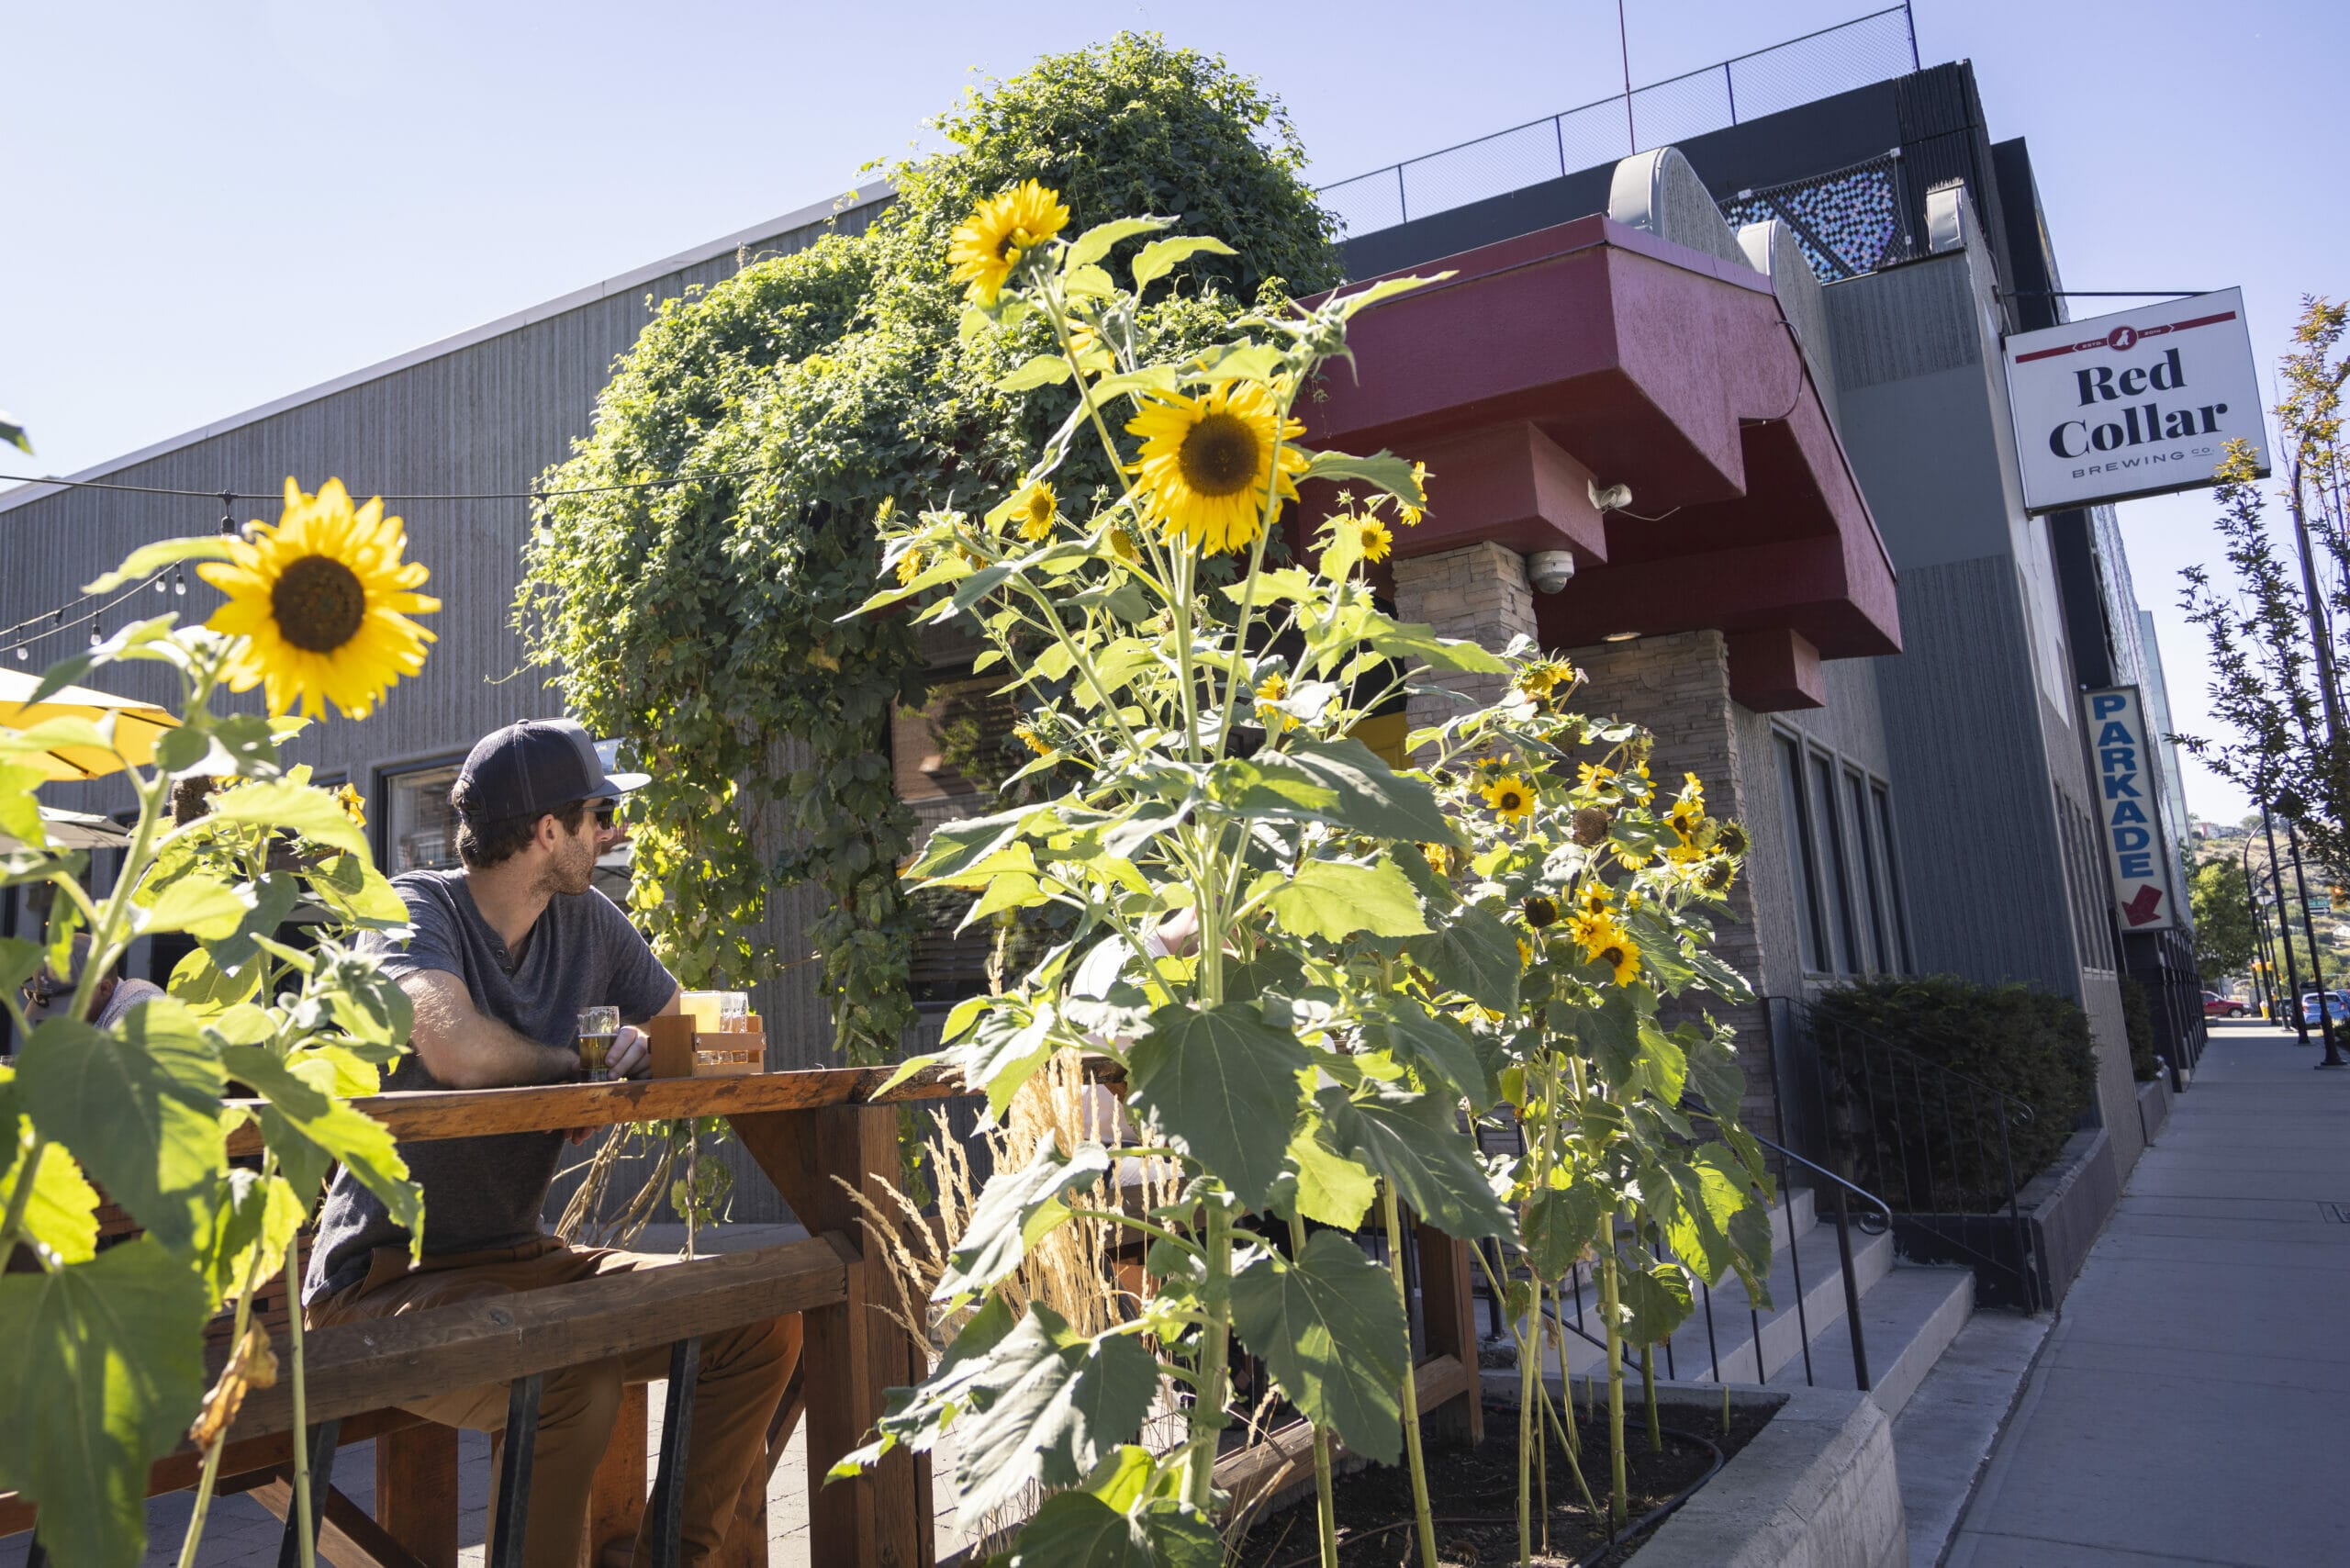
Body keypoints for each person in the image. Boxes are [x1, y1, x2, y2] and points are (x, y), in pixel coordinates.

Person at [302, 719, 790, 1568]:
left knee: (760, 1322)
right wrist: (578, 1070)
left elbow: (736, 1039)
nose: (614, 834)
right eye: (600, 816)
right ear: (547, 831)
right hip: (382, 1282)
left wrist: (653, 1046)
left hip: (524, 1257)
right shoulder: (414, 907)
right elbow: (450, 1044)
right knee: (571, 1376)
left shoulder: (588, 921)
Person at [17, 932, 166, 1032]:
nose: (56, 1019)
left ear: (104, 989)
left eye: (66, 1008)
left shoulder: (138, 1008)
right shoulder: (96, 1019)